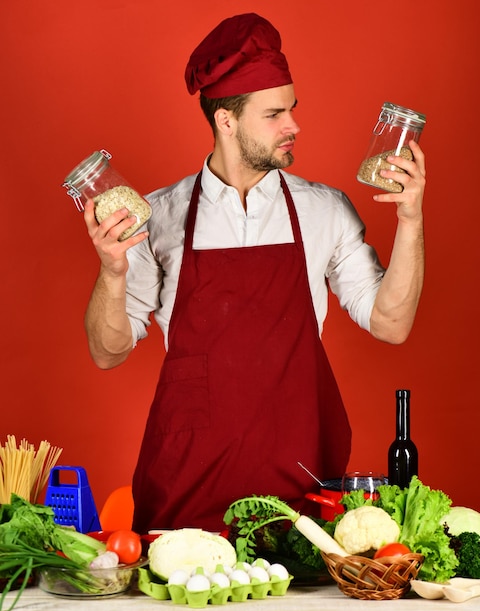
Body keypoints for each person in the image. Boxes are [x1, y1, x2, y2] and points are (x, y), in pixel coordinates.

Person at [83, 13, 425, 534]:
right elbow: (108, 352)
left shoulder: (324, 210)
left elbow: (390, 324)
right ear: (226, 121)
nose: (294, 125)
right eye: (274, 114)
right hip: (187, 495)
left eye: (292, 109)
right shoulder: (161, 217)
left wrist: (410, 218)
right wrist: (112, 273)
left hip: (301, 494)